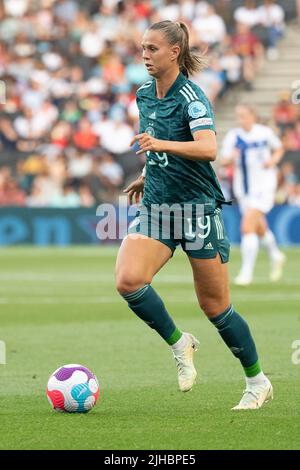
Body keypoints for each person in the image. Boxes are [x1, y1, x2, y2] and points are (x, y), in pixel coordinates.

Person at [116, 20, 273, 410]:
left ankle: (257, 381)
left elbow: (208, 149)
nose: (145, 56)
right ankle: (180, 343)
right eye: (142, 48)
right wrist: (146, 171)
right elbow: (156, 145)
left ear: (174, 53)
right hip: (157, 205)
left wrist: (159, 144)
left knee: (215, 307)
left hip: (196, 209)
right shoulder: (144, 94)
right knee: (129, 280)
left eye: (152, 49)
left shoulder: (193, 97)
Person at [221, 104, 285, 286]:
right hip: (244, 189)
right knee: (258, 227)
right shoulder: (234, 136)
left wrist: (272, 160)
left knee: (247, 227)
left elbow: (279, 149)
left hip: (264, 186)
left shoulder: (264, 133)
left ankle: (246, 272)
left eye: (243, 116)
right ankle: (276, 254)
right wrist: (231, 157)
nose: (241, 119)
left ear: (252, 116)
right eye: (238, 116)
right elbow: (223, 161)